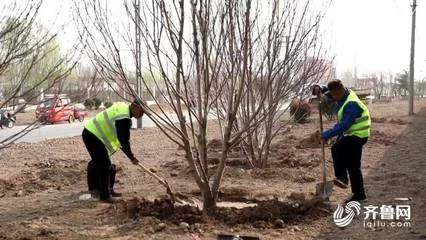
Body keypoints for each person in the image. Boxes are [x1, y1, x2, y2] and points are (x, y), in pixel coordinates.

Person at [313, 80, 371, 202]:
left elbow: (344, 125)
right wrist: (320, 88)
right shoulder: (343, 93)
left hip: (358, 135)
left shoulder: (351, 104)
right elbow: (329, 92)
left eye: (333, 95)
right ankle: (359, 194)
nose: (332, 98)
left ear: (339, 91)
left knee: (337, 148)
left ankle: (342, 178)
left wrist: (326, 135)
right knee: (353, 165)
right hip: (352, 133)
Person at [82, 100, 144, 203]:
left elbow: (121, 138)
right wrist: (132, 158)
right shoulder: (123, 117)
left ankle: (97, 189)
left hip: (92, 133)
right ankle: (105, 195)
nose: (142, 114)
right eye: (141, 111)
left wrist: (131, 157)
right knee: (105, 165)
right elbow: (124, 141)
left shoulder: (123, 109)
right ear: (134, 106)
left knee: (100, 162)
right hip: (92, 135)